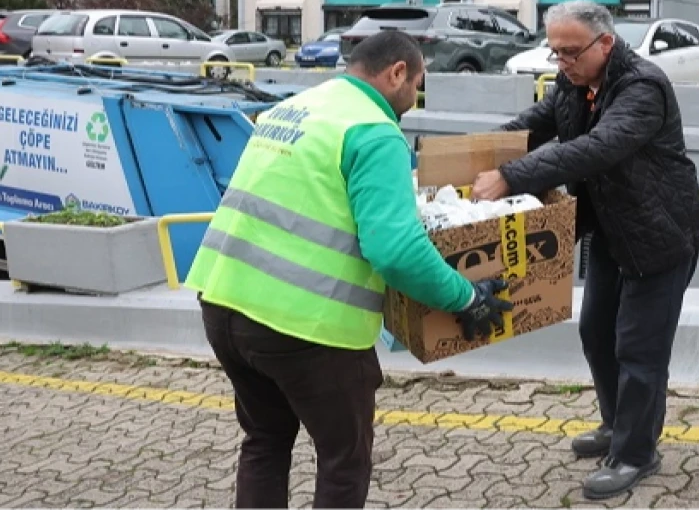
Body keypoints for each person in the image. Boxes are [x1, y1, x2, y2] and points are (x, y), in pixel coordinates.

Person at [185, 30, 512, 510]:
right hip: (307, 329)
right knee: (344, 460)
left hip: (224, 303)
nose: (413, 101)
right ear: (397, 72)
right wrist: (467, 297)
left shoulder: (292, 109)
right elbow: (396, 251)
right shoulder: (375, 131)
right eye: (416, 86)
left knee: (265, 439)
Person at [470, 0, 699, 501]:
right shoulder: (573, 82)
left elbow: (597, 147)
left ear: (605, 43)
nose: (561, 62)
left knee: (639, 350)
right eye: (554, 52)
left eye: (570, 51)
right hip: (611, 231)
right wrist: (475, 155)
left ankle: (636, 452)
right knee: (596, 332)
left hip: (660, 235)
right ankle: (616, 423)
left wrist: (512, 176)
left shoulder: (643, 87)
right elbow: (533, 126)